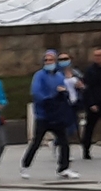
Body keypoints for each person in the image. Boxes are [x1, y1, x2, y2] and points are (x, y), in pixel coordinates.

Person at [22, 49, 78, 178]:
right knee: (36, 142)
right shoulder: (39, 76)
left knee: (64, 142)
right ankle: (25, 165)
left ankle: (63, 167)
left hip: (57, 114)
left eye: (51, 60)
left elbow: (67, 93)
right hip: (43, 114)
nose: (48, 62)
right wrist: (52, 96)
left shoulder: (59, 76)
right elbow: (37, 93)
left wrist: (64, 93)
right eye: (46, 60)